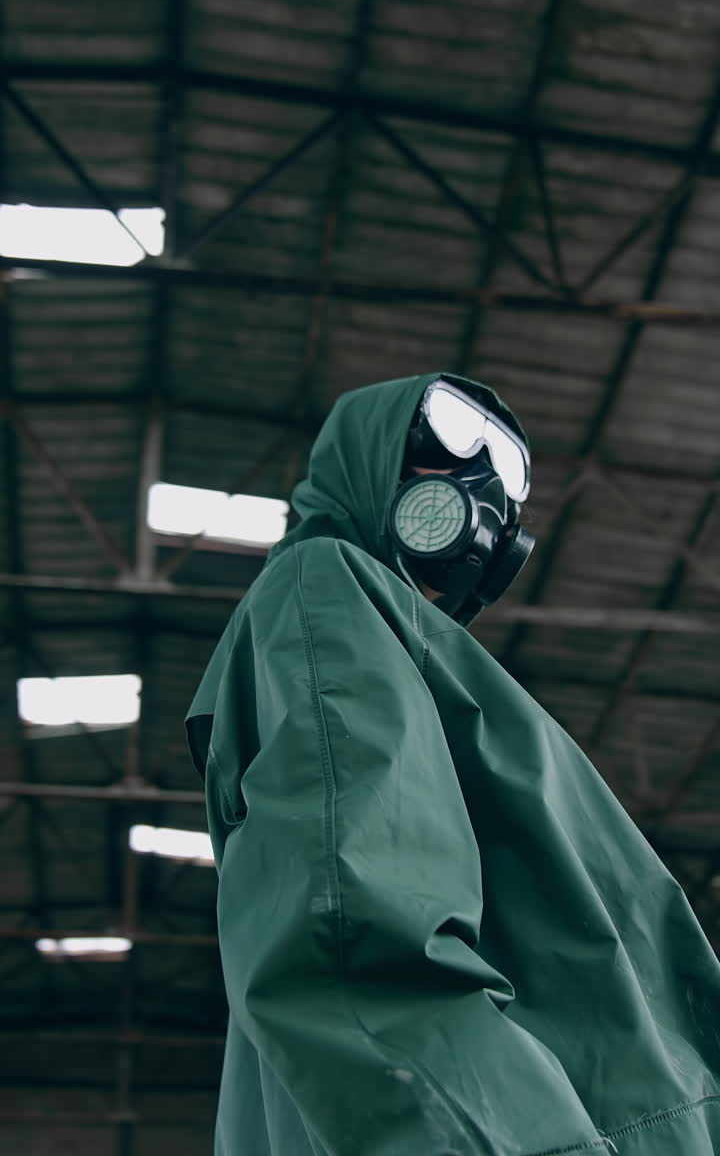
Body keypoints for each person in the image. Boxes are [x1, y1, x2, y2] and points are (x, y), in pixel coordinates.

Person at [186, 372, 720, 1156]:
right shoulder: (324, 583)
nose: (486, 492)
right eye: (455, 447)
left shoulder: (428, 658)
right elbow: (356, 931)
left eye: (506, 476)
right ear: (373, 464)